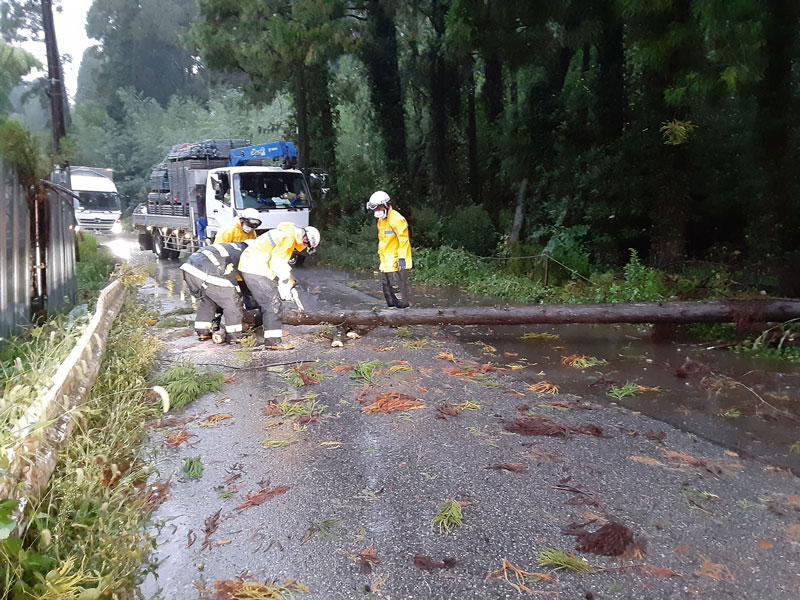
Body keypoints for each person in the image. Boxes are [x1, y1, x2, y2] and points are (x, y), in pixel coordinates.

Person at [238, 222, 320, 348]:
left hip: (256, 266)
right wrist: (285, 279)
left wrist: (289, 279)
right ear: (305, 238)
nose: (303, 247)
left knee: (266, 300)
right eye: (306, 244)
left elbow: (280, 260)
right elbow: (276, 261)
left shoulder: (288, 235)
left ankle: (258, 329)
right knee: (272, 302)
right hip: (254, 267)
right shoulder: (288, 237)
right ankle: (273, 342)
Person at [180, 241, 251, 343]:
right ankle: (234, 335)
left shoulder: (232, 247)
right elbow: (234, 275)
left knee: (208, 300)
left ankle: (203, 332)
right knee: (231, 301)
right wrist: (238, 292)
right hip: (207, 271)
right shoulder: (245, 253)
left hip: (189, 269)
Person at [366, 190, 412, 308]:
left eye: (378, 208)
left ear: (385, 205)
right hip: (386, 263)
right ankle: (391, 318)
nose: (376, 212)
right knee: (387, 290)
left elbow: (404, 240)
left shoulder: (397, 219)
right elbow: (384, 241)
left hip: (397, 263)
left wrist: (401, 259)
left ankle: (403, 317)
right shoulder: (381, 221)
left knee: (397, 291)